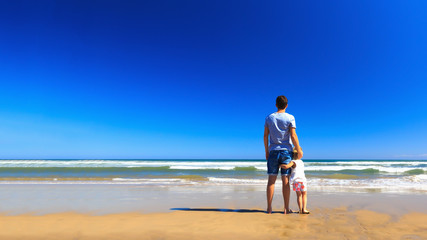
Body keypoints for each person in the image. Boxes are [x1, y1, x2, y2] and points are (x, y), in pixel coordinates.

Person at [264, 95, 303, 214]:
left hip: (273, 151)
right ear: (286, 105)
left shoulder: (269, 117)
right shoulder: (290, 117)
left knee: (271, 180)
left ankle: (269, 208)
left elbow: (265, 136)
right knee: (285, 181)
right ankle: (286, 208)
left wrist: (267, 151)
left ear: (276, 105)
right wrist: (298, 149)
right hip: (286, 151)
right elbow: (293, 135)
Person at [280, 149, 310, 214]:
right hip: (303, 180)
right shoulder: (301, 162)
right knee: (304, 195)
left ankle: (300, 209)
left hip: (296, 181)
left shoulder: (293, 162)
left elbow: (287, 166)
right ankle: (304, 209)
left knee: (299, 195)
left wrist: (280, 165)